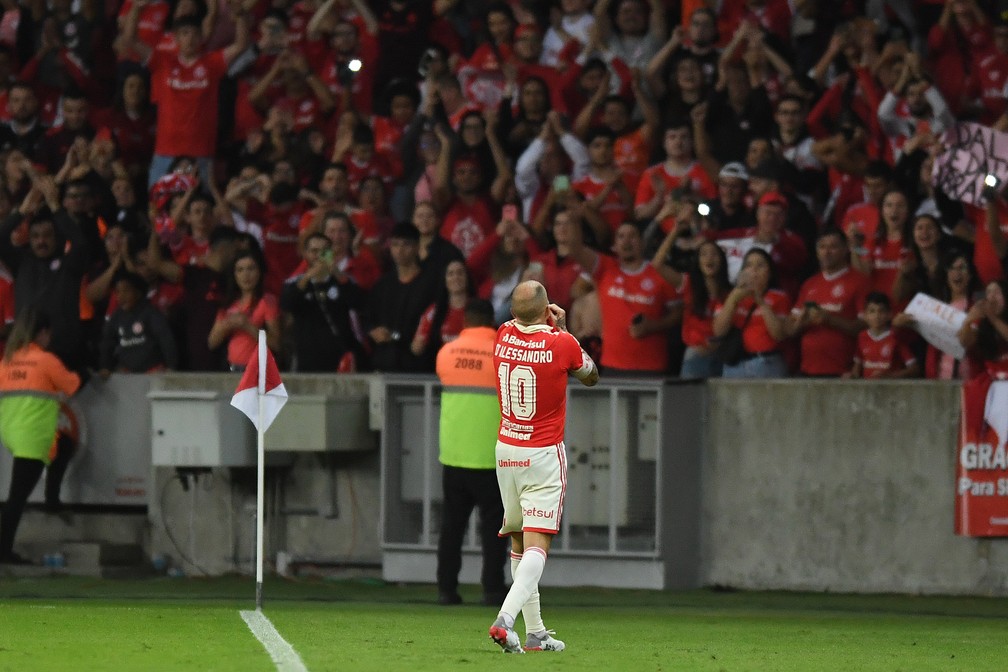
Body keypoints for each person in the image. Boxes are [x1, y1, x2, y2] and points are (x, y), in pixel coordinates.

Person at [488, 280, 599, 654]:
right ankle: (505, 620)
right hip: (543, 454)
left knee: (519, 541)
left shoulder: (502, 335)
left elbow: (522, 328)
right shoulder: (561, 343)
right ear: (547, 308)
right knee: (539, 546)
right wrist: (564, 330)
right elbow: (591, 376)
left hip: (506, 451)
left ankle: (535, 632)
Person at [434, 298, 508, 607]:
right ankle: (492, 589)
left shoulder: (446, 353)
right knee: (494, 530)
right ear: (491, 322)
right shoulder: (502, 355)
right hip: (491, 457)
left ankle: (446, 589)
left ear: (465, 321)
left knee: (452, 527)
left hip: (454, 455)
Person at [0, 310, 81, 564]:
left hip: (11, 431)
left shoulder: (8, 361)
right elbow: (72, 385)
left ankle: (52, 500)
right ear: (43, 333)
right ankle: (3, 552)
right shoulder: (45, 360)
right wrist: (89, 371)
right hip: (33, 436)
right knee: (17, 498)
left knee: (64, 445)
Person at [787, 229, 870, 377]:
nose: (827, 252)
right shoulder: (810, 284)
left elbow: (866, 325)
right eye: (822, 247)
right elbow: (791, 325)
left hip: (843, 371)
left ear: (845, 250)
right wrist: (801, 322)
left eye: (833, 247)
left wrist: (830, 320)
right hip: (808, 369)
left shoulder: (860, 282)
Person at [280, 232, 367, 372]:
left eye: (325, 251)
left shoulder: (344, 280)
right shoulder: (295, 283)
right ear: (305, 253)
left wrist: (337, 273)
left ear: (331, 253)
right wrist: (308, 276)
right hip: (307, 359)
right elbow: (287, 303)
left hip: (339, 359)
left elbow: (359, 303)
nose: (319, 256)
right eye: (314, 251)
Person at [711, 248, 791, 378]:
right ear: (742, 271)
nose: (754, 270)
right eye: (748, 265)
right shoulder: (729, 295)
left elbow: (779, 335)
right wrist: (733, 299)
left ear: (769, 273)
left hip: (766, 363)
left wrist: (762, 303)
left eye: (760, 265)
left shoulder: (779, 297)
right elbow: (718, 331)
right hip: (735, 364)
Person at [207, 250, 282, 372]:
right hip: (232, 369)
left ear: (259, 272)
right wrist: (227, 325)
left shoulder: (268, 301)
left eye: (251, 269)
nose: (245, 275)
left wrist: (247, 325)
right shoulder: (228, 303)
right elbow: (211, 343)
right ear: (234, 275)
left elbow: (276, 344)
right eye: (240, 270)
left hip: (258, 370)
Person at [847, 292, 919, 379]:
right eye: (872, 311)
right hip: (867, 389)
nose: (877, 316)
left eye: (881, 311)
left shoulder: (896, 337)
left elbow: (914, 369)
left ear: (889, 315)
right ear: (865, 315)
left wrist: (889, 376)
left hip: (890, 389)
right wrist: (851, 376)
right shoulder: (862, 336)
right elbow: (857, 367)